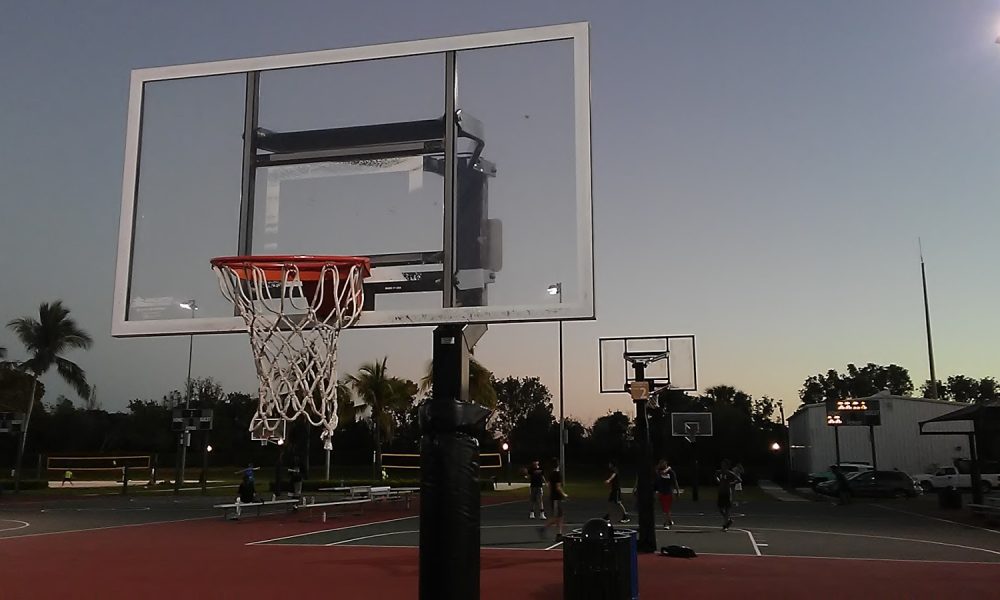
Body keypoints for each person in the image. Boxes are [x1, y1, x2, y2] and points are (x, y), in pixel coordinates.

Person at [539, 458, 568, 541]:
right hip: (556, 498)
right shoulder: (557, 474)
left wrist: (550, 495)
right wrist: (564, 494)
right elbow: (558, 487)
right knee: (557, 517)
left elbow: (549, 486)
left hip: (553, 497)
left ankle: (559, 534)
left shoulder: (551, 474)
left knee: (560, 516)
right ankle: (544, 529)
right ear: (558, 465)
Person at [715, 459, 741, 531]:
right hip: (721, 492)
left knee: (727, 509)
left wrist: (731, 483)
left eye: (724, 465)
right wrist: (717, 480)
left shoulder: (730, 473)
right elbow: (716, 477)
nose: (722, 466)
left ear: (727, 466)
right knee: (720, 508)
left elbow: (739, 480)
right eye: (722, 464)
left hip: (727, 492)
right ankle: (728, 520)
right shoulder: (719, 472)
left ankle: (725, 525)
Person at [655, 459, 679, 529]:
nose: (662, 464)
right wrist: (667, 468)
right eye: (661, 463)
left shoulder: (671, 473)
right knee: (665, 509)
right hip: (661, 492)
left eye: (663, 463)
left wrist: (677, 491)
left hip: (668, 492)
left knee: (666, 509)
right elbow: (660, 472)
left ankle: (666, 524)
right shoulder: (660, 471)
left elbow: (675, 482)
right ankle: (670, 520)